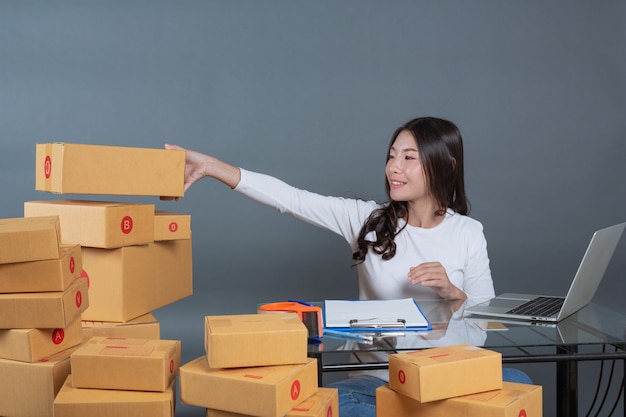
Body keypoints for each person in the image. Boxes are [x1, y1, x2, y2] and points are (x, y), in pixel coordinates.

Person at [165, 116, 529, 417]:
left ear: (445, 165)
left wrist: (453, 294)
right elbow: (290, 199)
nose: (393, 169)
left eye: (408, 158)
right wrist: (212, 167)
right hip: (380, 382)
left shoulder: (467, 232)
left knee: (520, 383)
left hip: (451, 377)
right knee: (345, 408)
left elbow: (482, 329)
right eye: (391, 156)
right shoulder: (366, 220)